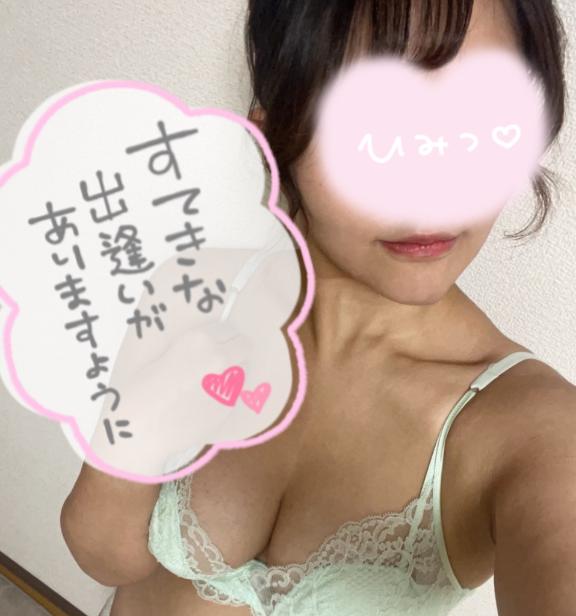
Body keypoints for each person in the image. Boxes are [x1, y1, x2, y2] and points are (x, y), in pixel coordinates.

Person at [61, 1, 576, 615]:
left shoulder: (529, 431)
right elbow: (106, 557)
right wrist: (140, 424)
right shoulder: (192, 291)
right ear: (274, 137)